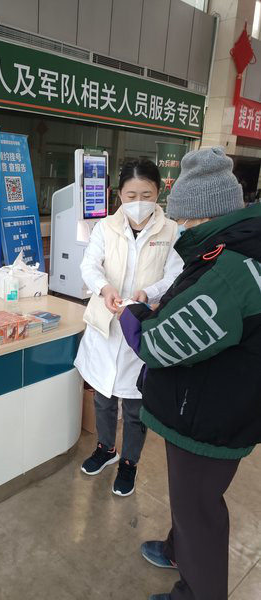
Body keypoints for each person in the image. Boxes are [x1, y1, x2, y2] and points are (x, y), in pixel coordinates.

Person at [119, 147, 261, 600]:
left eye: (184, 219)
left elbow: (159, 343)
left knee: (198, 508)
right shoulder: (238, 246)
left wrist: (133, 318)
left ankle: (197, 591)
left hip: (208, 416)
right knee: (189, 500)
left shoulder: (230, 271)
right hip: (223, 402)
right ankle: (178, 549)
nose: (180, 226)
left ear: (204, 214)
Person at [74, 159, 183, 496]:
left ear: (158, 193)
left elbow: (176, 274)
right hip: (106, 323)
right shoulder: (104, 227)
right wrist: (104, 288)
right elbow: (89, 265)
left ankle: (129, 463)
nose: (138, 202)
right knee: (103, 398)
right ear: (119, 194)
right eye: (131, 195)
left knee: (136, 406)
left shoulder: (171, 232)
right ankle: (106, 449)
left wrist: (149, 293)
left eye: (146, 195)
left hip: (142, 326)